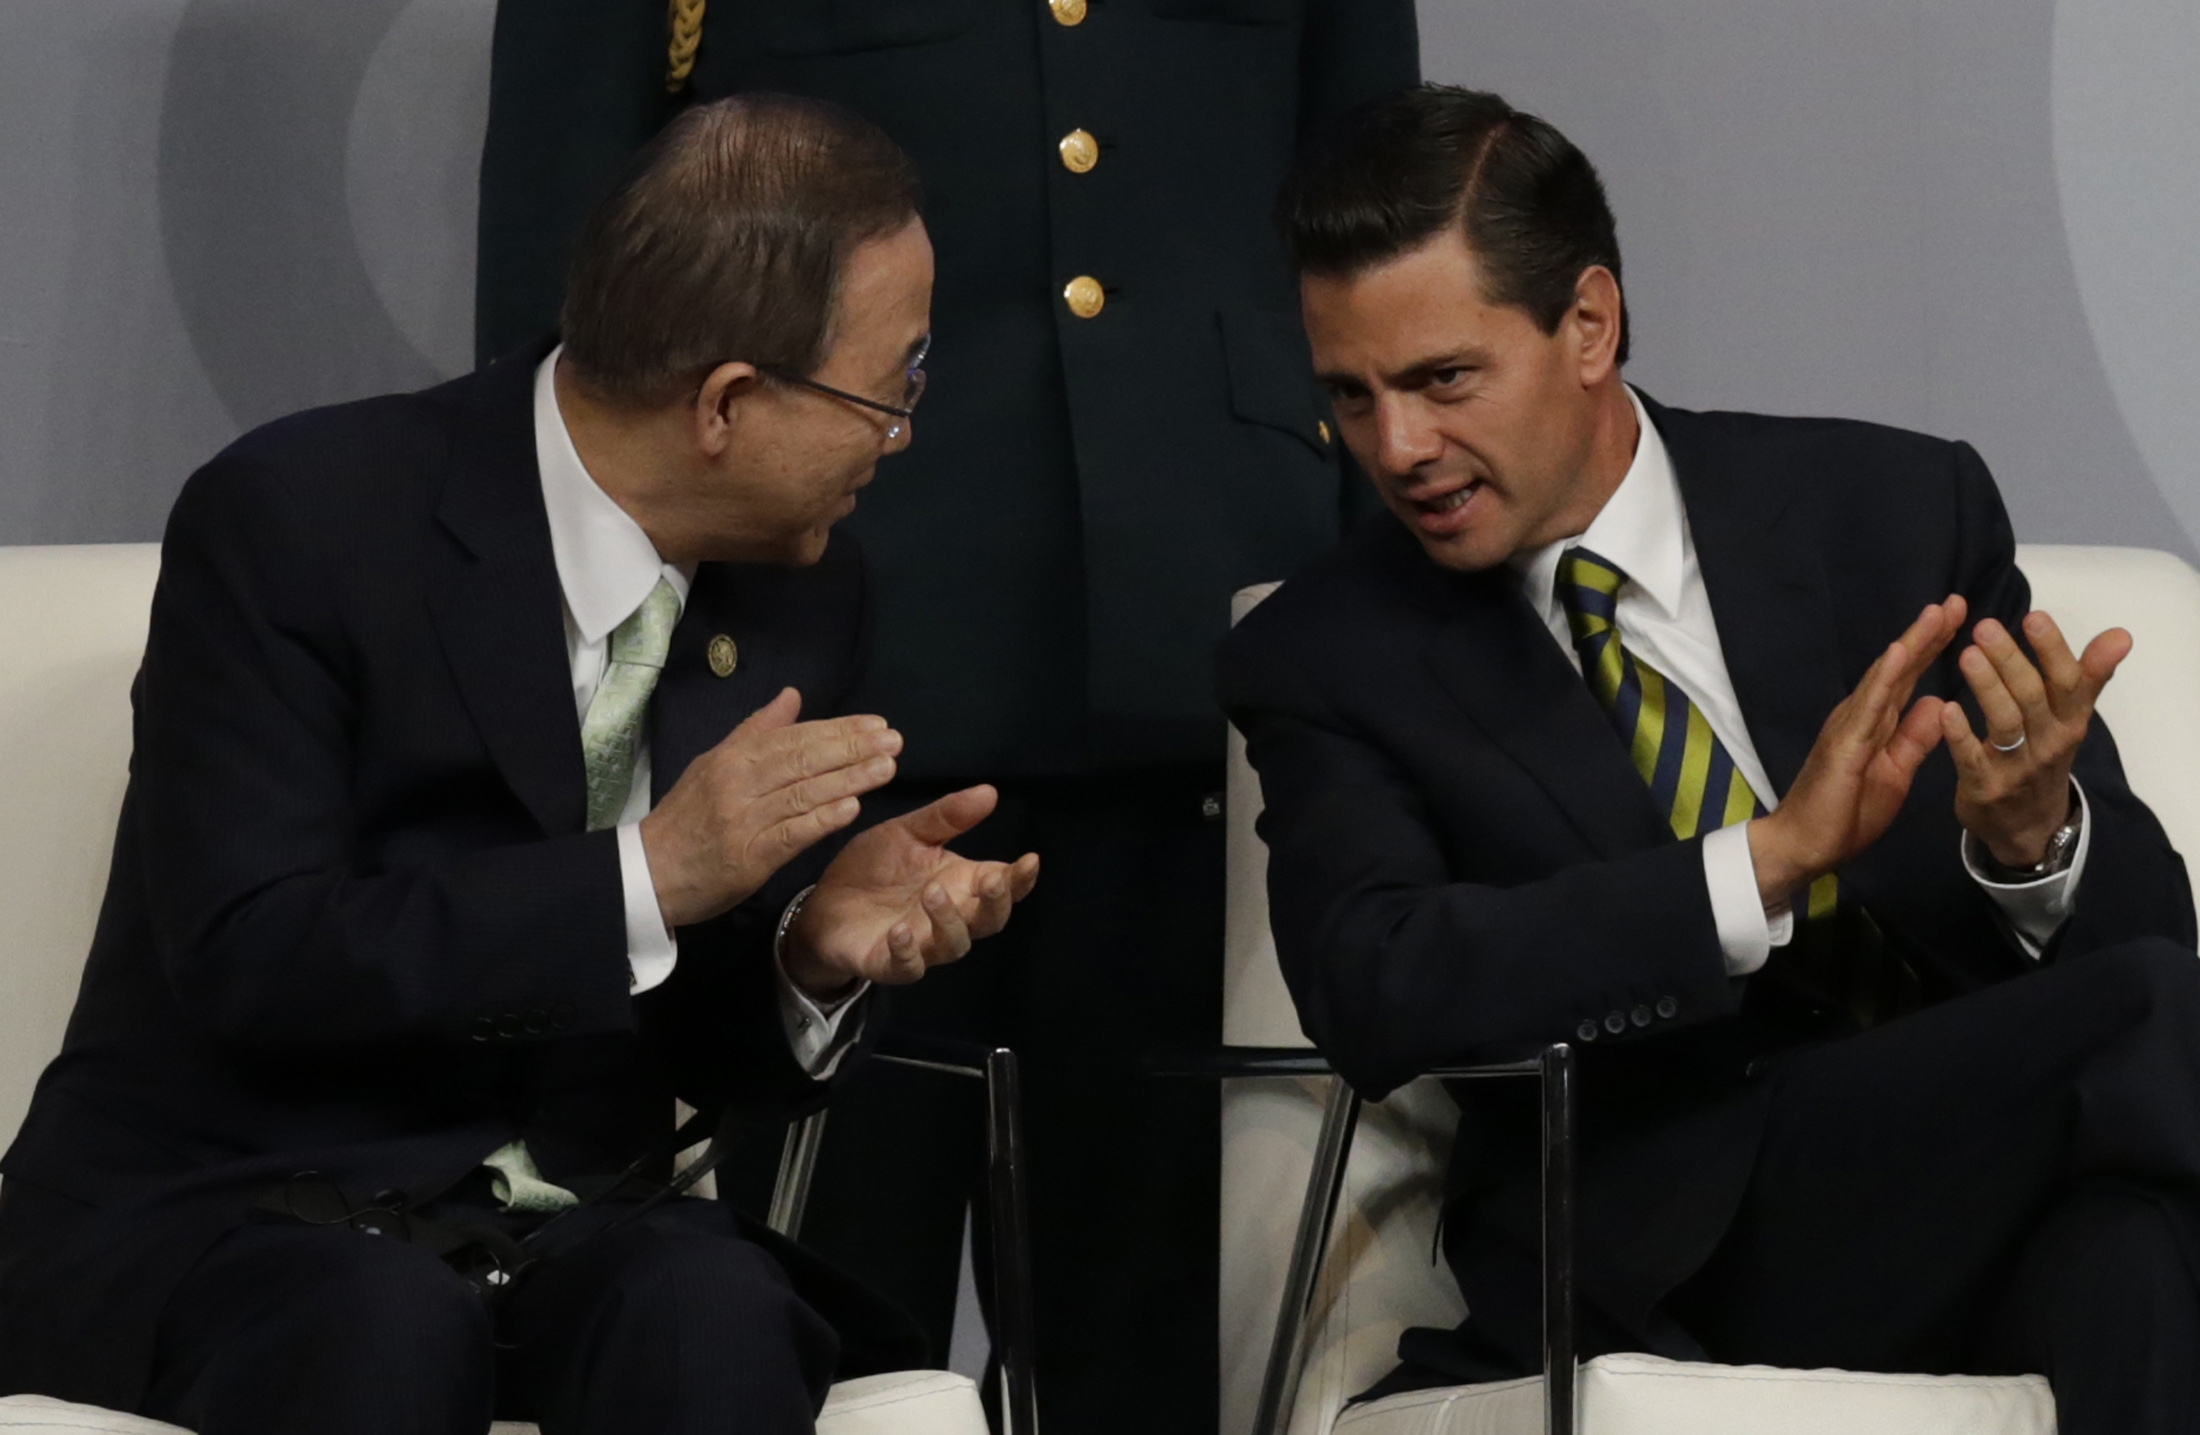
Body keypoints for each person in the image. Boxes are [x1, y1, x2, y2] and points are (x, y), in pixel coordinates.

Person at [0, 94, 1039, 1435]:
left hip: (571, 1220)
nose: (900, 433)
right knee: (383, 1328)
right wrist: (648, 875)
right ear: (727, 403)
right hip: (242, 1203)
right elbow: (254, 952)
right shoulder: (300, 518)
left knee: (716, 1312)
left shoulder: (805, 595)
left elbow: (679, 1025)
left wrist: (808, 954)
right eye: (888, 388)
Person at [474, 4, 1419, 1428]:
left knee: (1159, 1349)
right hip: (831, 644)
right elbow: (568, 256)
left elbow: (1375, 193)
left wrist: (1379, 600)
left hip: (1203, 632)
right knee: (825, 1325)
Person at [1218, 85, 2200, 1435]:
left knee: (2138, 1259)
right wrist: (1765, 863)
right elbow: (1377, 983)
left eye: (1443, 381)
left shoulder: (1891, 510)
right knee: (2152, 1018)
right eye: (1351, 395)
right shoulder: (1329, 651)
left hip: (1967, 1182)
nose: (1399, 449)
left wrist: (2035, 844)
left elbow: (2145, 927)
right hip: (1675, 1237)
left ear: (1589, 324)